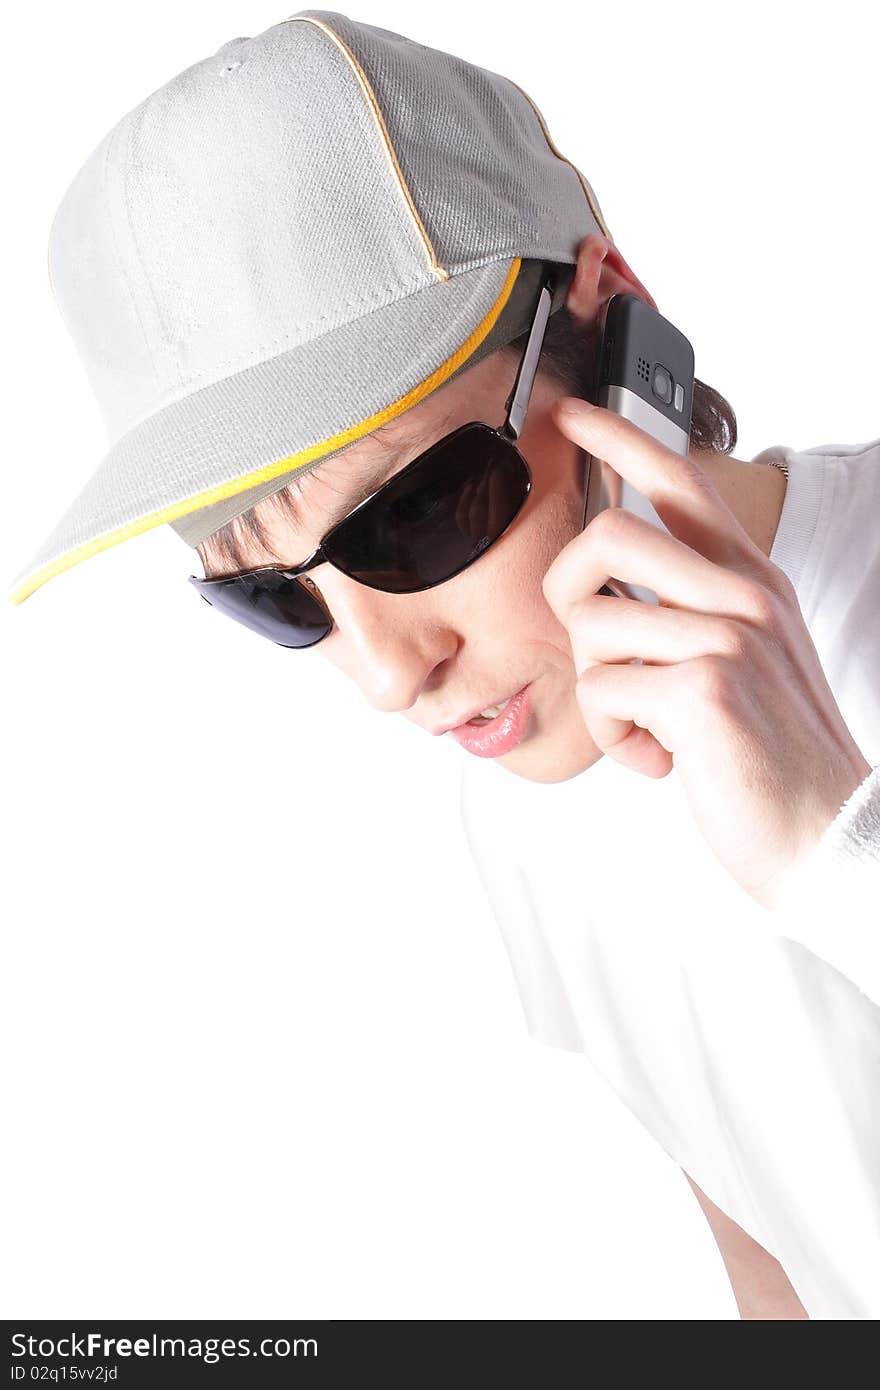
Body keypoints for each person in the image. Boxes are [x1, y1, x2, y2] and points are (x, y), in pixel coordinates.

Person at [9, 12, 879, 1319]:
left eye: (418, 514)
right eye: (269, 593)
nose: (387, 677)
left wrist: (837, 846)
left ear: (615, 316)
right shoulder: (520, 809)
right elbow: (783, 1260)